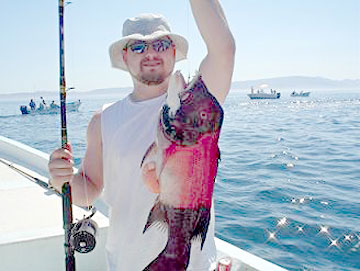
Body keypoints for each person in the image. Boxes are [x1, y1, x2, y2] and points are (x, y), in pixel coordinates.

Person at [48, 1, 235, 270]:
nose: (150, 53)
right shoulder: (104, 119)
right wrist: (60, 179)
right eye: (138, 46)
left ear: (173, 52)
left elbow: (224, 49)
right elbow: (88, 190)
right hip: (125, 263)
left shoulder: (197, 107)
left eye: (160, 45)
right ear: (124, 57)